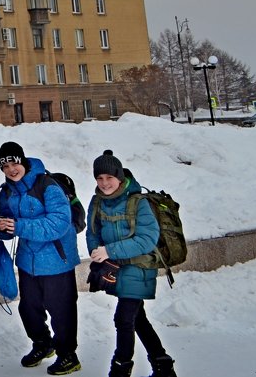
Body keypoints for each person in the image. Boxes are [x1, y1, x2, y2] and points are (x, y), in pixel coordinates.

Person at [87, 150, 178, 377]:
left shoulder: (138, 203)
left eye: (109, 177)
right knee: (138, 319)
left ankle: (120, 369)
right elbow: (92, 231)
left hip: (139, 268)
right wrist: (96, 250)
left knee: (123, 318)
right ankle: (163, 365)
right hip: (116, 270)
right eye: (100, 178)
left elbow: (147, 240)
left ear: (119, 177)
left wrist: (110, 250)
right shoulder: (97, 201)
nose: (104, 183)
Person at [0, 142, 82, 375]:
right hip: (27, 260)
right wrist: (1, 227)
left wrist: (20, 226)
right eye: (5, 166)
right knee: (29, 308)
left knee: (61, 310)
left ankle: (68, 355)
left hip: (56, 260)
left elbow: (59, 223)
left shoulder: (48, 186)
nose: (11, 169)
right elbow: (7, 220)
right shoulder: (7, 191)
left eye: (14, 163)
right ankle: (43, 345)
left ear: (22, 161)